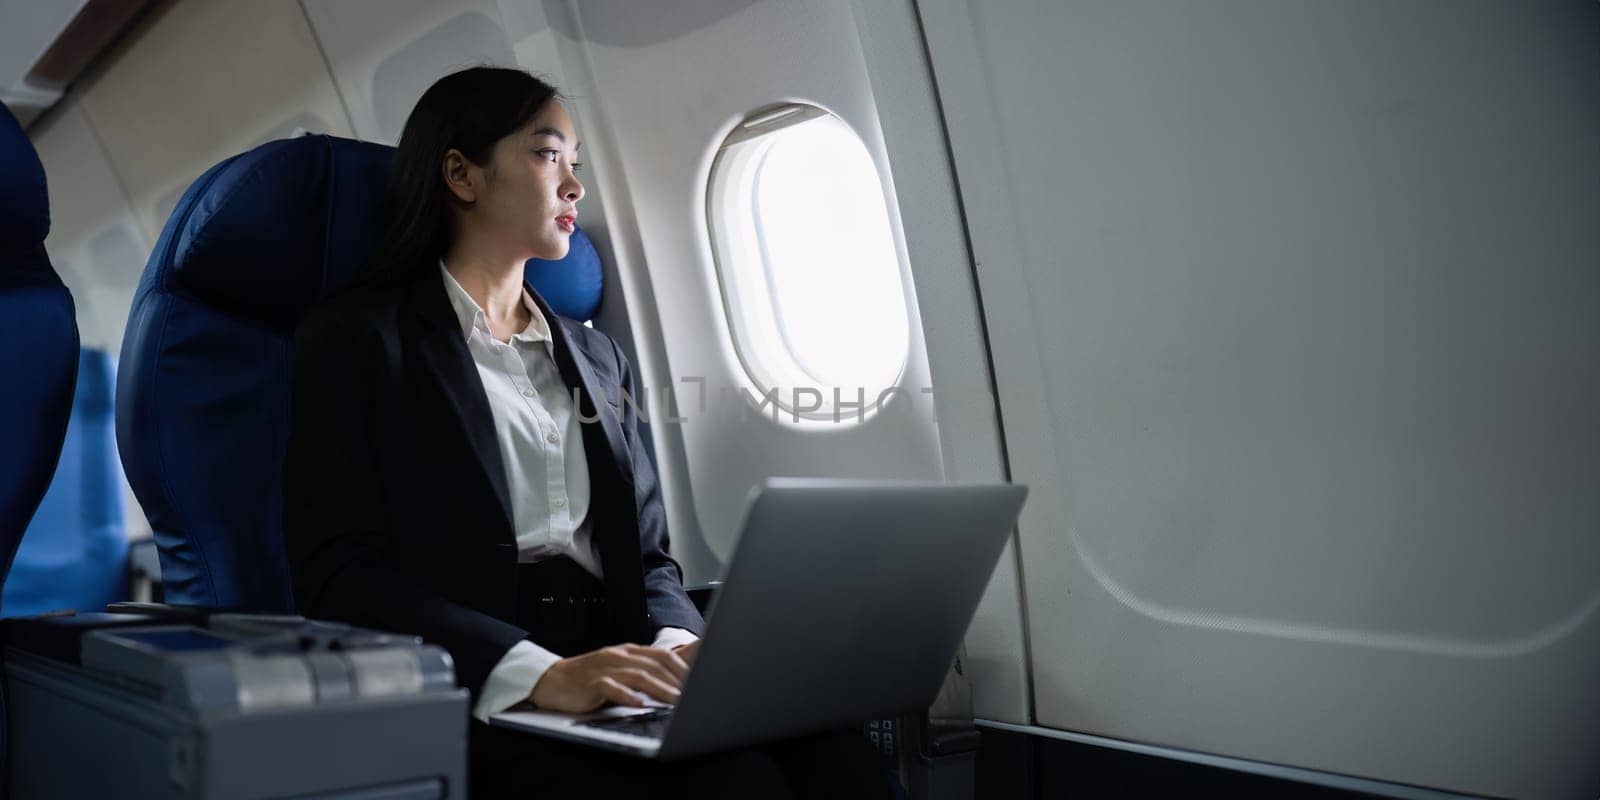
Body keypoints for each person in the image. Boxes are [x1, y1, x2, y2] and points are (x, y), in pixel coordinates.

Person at [282, 66, 890, 798]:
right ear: (461, 174)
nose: (574, 186)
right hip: (476, 686)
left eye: (577, 165)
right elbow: (340, 575)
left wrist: (679, 649)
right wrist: (538, 672)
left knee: (841, 759)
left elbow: (652, 560)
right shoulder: (358, 341)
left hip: (618, 664)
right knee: (738, 784)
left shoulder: (599, 357)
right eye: (547, 155)